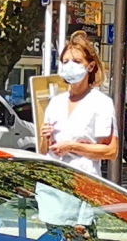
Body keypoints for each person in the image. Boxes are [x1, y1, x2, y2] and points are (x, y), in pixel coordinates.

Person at [41, 31, 120, 166]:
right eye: (65, 62)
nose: (70, 66)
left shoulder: (101, 103)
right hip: (54, 179)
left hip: (83, 179)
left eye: (77, 61)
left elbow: (111, 151)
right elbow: (43, 151)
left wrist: (72, 147)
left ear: (90, 66)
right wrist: (45, 137)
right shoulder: (55, 102)